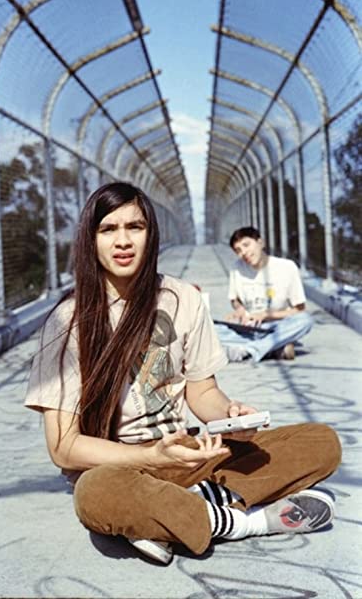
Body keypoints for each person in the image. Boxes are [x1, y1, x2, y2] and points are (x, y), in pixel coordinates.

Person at [25, 182, 341, 565]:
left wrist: (230, 416)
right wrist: (150, 458)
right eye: (108, 229)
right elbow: (63, 447)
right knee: (94, 494)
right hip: (116, 467)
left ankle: (173, 516)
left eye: (135, 227)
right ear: (90, 239)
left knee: (321, 442)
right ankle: (245, 520)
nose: (123, 241)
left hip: (185, 453)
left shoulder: (181, 298)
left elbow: (202, 392)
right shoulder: (68, 321)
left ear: (151, 233)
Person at [220, 226, 313, 363]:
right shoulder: (236, 268)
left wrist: (265, 315)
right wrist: (239, 310)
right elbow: (235, 300)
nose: (243, 252)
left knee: (305, 320)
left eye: (246, 245)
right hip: (249, 327)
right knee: (211, 329)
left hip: (278, 325)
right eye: (238, 250)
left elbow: (299, 310)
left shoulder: (287, 267)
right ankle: (275, 347)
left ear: (260, 243)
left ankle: (250, 350)